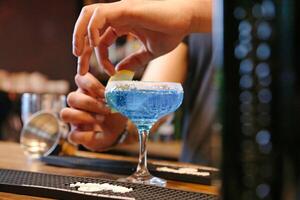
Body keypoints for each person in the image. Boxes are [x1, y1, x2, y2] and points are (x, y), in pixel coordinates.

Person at [61, 0, 215, 164]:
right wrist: (119, 124)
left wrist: (191, 12)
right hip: (198, 178)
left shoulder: (186, 9)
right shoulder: (181, 29)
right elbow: (150, 103)